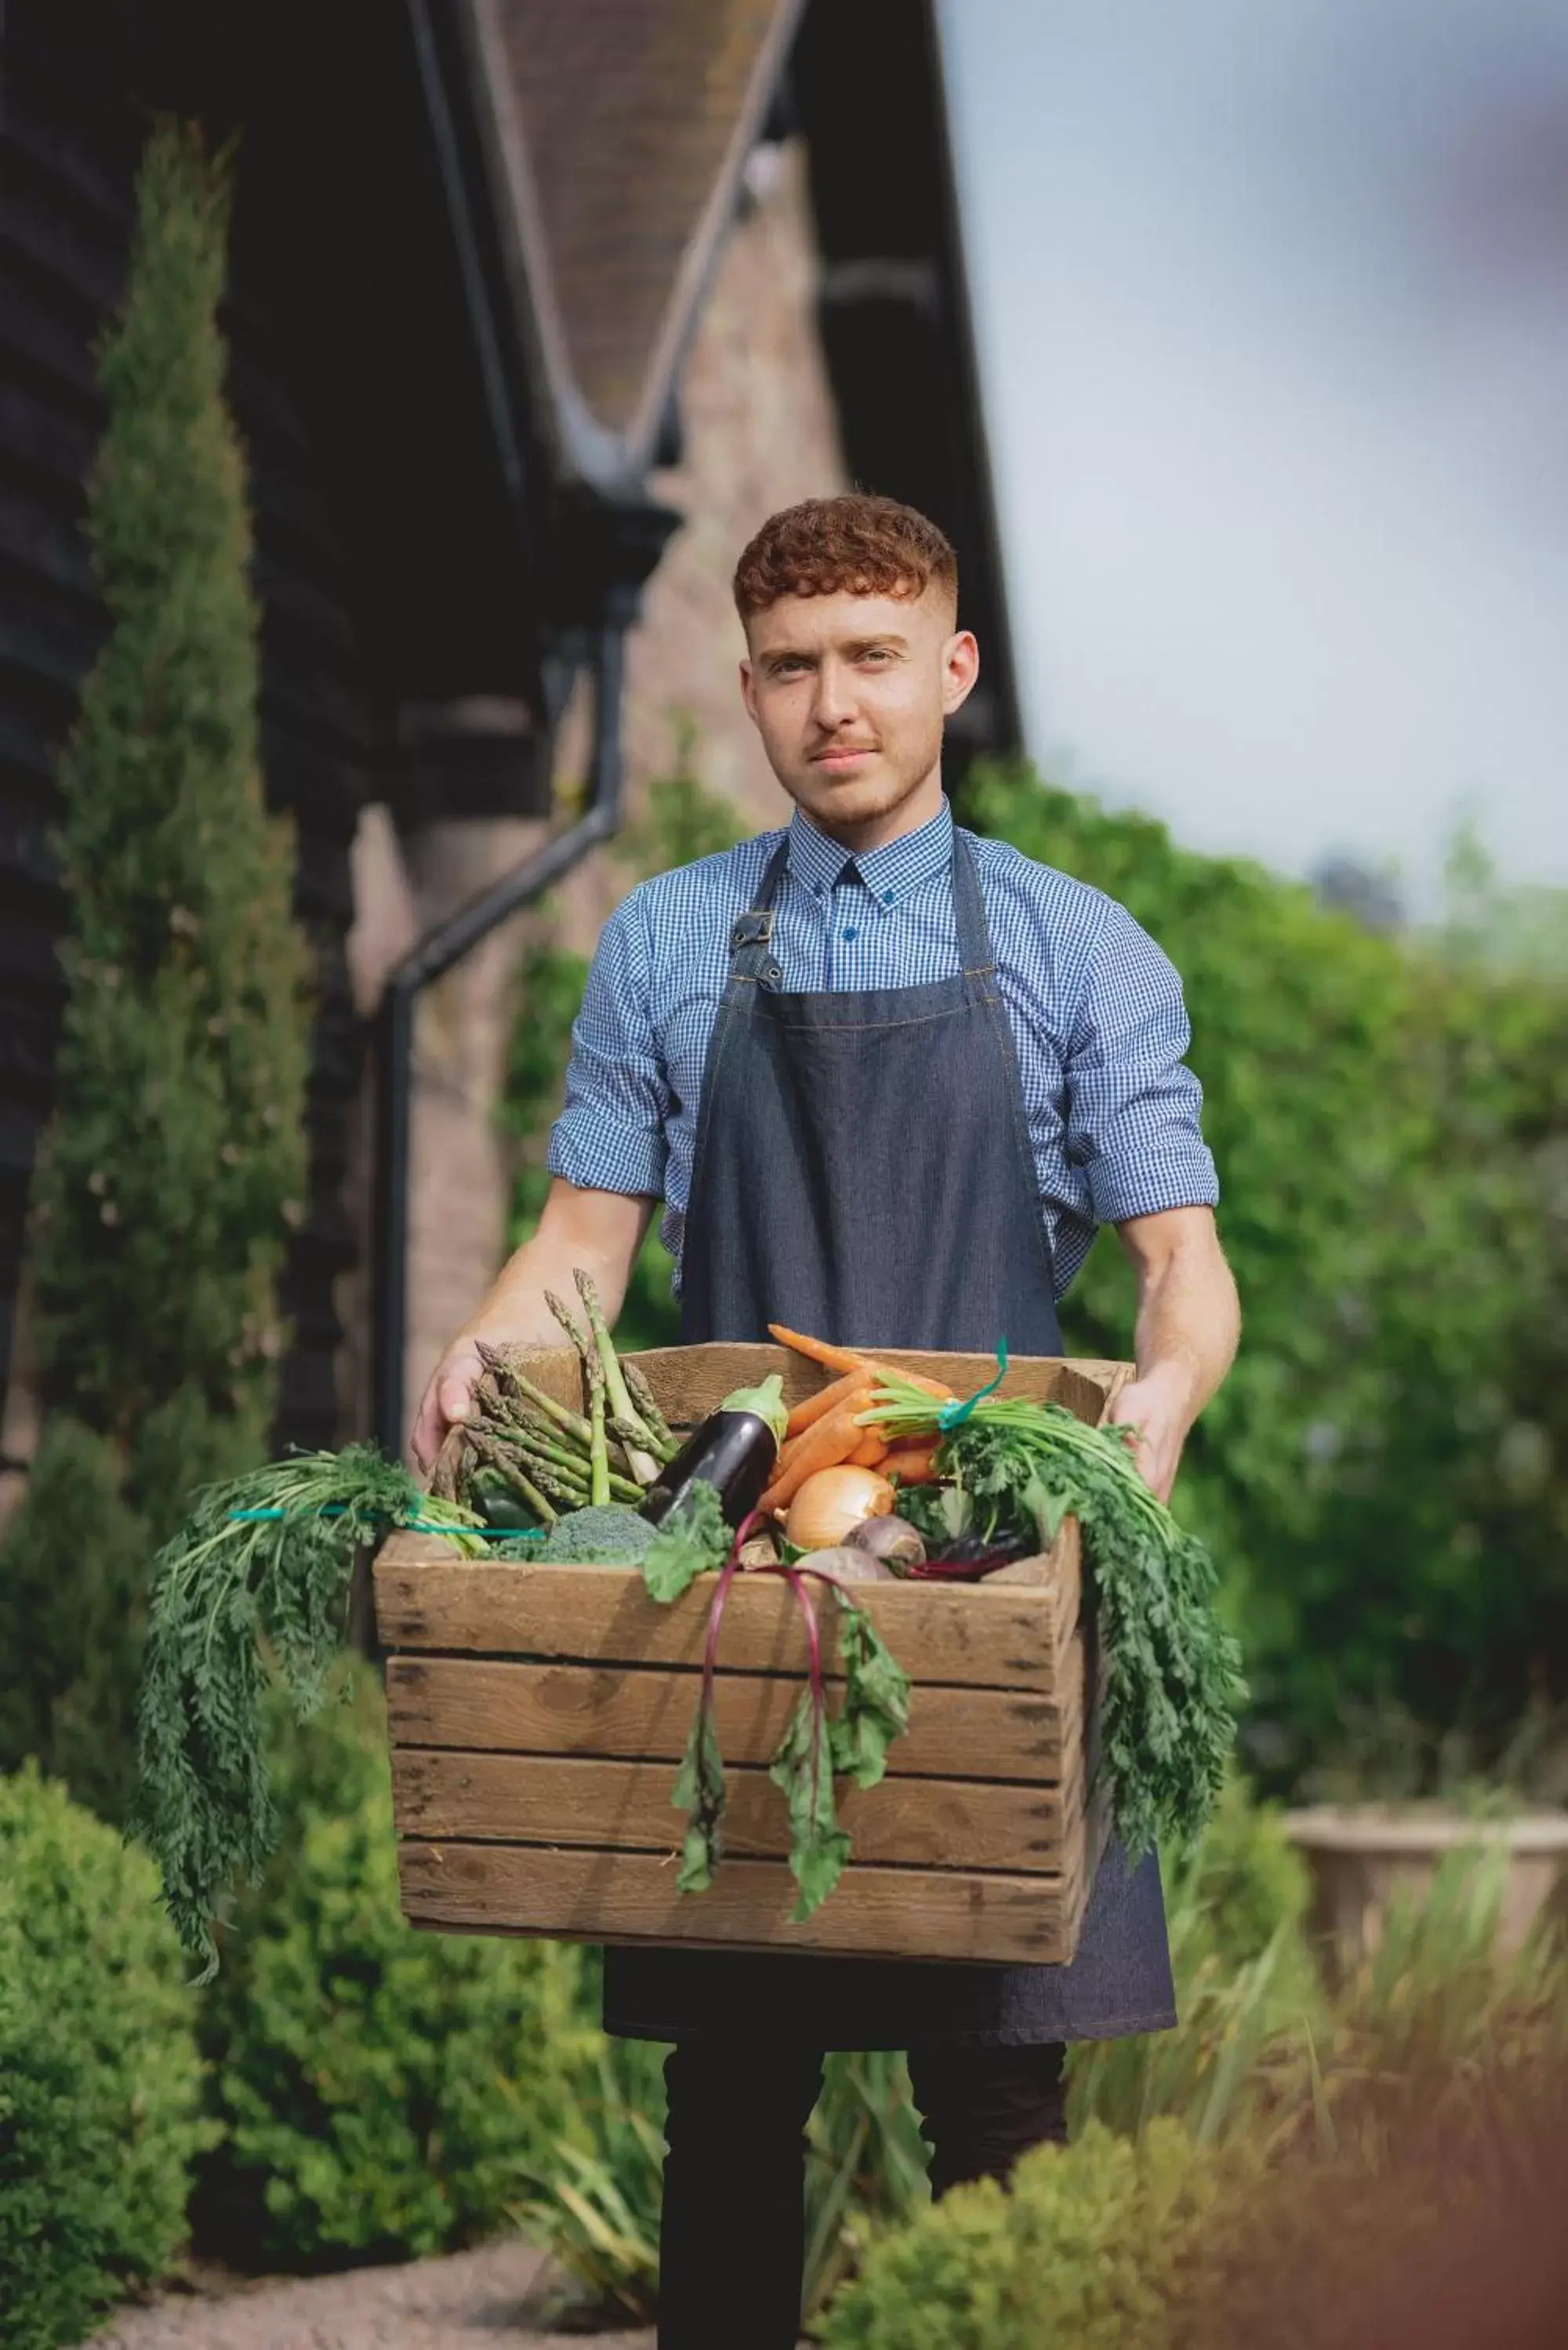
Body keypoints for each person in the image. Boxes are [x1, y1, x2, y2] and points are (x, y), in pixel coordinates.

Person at [412, 492, 1240, 2348]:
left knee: (1003, 2108)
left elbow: (1183, 1263)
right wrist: (484, 1350)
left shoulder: (1074, 948)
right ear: (750, 688)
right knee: (728, 2101)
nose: (833, 704)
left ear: (952, 669)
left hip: (991, 1576)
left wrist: (1165, 1391)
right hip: (741, 1579)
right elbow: (580, 1244)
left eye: (873, 658)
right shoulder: (667, 940)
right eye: (791, 668)